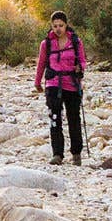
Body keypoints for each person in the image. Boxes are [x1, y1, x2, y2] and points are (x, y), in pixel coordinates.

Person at [34, 10, 87, 166]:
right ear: (51, 26)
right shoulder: (47, 43)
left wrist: (80, 68)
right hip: (53, 84)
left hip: (71, 83)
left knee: (74, 119)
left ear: (66, 25)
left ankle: (76, 154)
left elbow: (83, 60)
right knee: (55, 119)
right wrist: (37, 82)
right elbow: (41, 63)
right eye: (55, 25)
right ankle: (57, 154)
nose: (58, 29)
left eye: (61, 25)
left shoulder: (76, 42)